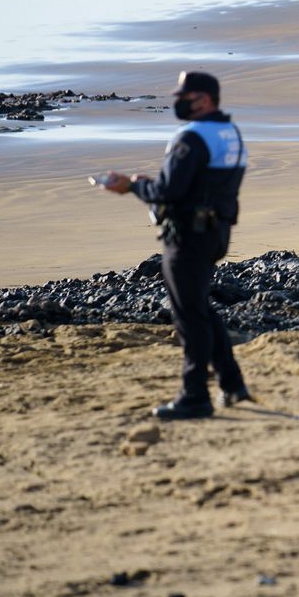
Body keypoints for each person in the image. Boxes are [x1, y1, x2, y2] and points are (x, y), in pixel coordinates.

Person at [100, 71, 251, 420]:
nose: (178, 101)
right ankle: (232, 384)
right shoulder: (230, 134)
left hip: (188, 237)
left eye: (185, 96)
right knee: (200, 309)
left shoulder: (191, 138)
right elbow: (200, 185)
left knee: (189, 317)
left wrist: (132, 187)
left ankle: (195, 395)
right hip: (216, 233)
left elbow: (170, 192)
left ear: (205, 99)